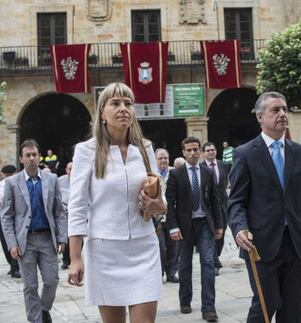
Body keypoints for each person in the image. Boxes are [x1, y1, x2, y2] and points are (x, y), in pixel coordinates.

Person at [68, 82, 166, 323]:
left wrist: (156, 205)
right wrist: (75, 257)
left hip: (144, 247)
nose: (123, 108)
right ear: (102, 113)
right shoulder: (85, 151)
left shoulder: (145, 148)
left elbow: (161, 202)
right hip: (105, 251)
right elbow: (77, 206)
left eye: (128, 103)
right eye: (115, 103)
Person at [227, 91, 301, 323]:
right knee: (265, 303)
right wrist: (240, 228)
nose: (282, 114)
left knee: (292, 309)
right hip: (260, 245)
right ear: (260, 117)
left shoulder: (300, 153)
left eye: (284, 109)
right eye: (275, 110)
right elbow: (236, 201)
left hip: (295, 244)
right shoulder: (245, 154)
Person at [1, 139, 67, 323]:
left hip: (47, 238)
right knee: (30, 286)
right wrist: (12, 243)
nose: (32, 158)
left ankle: (44, 309)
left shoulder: (52, 179)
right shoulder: (12, 183)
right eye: (28, 155)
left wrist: (62, 238)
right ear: (21, 159)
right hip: (25, 242)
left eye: (34, 155)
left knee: (52, 281)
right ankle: (35, 320)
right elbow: (6, 216)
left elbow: (59, 211)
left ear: (39, 157)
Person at [166, 136, 223, 322]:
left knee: (208, 263)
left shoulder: (207, 172)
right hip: (184, 226)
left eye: (195, 149)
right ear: (183, 152)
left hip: (204, 224)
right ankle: (185, 300)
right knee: (185, 265)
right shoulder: (176, 174)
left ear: (200, 151)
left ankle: (209, 308)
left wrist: (219, 225)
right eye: (188, 150)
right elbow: (170, 203)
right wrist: (173, 227)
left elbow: (215, 201)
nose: (192, 153)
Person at [201, 141, 229, 276]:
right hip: (208, 207)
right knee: (210, 234)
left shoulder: (223, 165)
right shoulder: (200, 167)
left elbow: (226, 183)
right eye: (208, 150)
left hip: (223, 205)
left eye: (212, 150)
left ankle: (216, 256)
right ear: (203, 153)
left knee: (221, 232)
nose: (210, 152)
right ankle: (214, 262)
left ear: (216, 151)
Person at [154, 148, 179, 283]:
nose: (163, 160)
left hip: (173, 217)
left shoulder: (175, 172)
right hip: (157, 219)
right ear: (155, 159)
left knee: (173, 247)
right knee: (161, 247)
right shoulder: (151, 174)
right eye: (160, 158)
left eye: (165, 158)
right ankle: (160, 272)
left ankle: (171, 273)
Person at [0, 164, 20, 278]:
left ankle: (15, 267)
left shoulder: (19, 184)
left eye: (10, 174)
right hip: (3, 217)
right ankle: (12, 265)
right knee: (5, 242)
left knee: (14, 241)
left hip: (16, 216)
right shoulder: (1, 186)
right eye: (7, 175)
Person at [58, 162, 72, 270]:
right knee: (66, 237)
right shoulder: (60, 181)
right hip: (64, 213)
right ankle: (65, 260)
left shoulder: (81, 180)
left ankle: (73, 257)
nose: (72, 171)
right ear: (66, 170)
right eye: (70, 169)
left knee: (77, 236)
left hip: (77, 213)